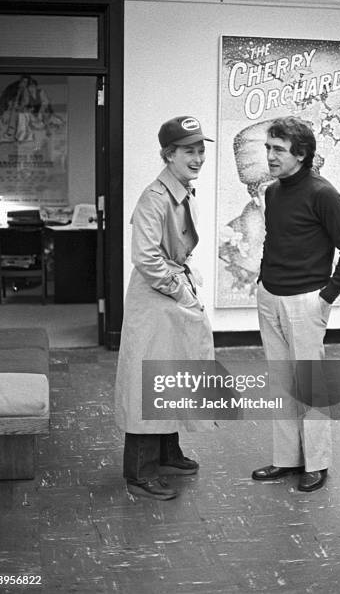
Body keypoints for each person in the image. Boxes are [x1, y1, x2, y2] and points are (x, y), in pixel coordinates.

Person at [252, 116, 340, 492]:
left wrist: (326, 298)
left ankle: (316, 464)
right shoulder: (272, 192)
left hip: (306, 302)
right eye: (268, 147)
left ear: (300, 154)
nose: (269, 155)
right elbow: (275, 239)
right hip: (270, 296)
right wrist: (261, 282)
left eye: (277, 149)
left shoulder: (323, 194)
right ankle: (286, 460)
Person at [114, 116, 214, 500]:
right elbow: (146, 258)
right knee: (149, 379)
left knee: (171, 372)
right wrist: (181, 290)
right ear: (168, 155)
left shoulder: (182, 190)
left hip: (168, 292)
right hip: (156, 295)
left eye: (201, 149)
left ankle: (167, 453)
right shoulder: (155, 198)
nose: (198, 157)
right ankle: (139, 471)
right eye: (189, 150)